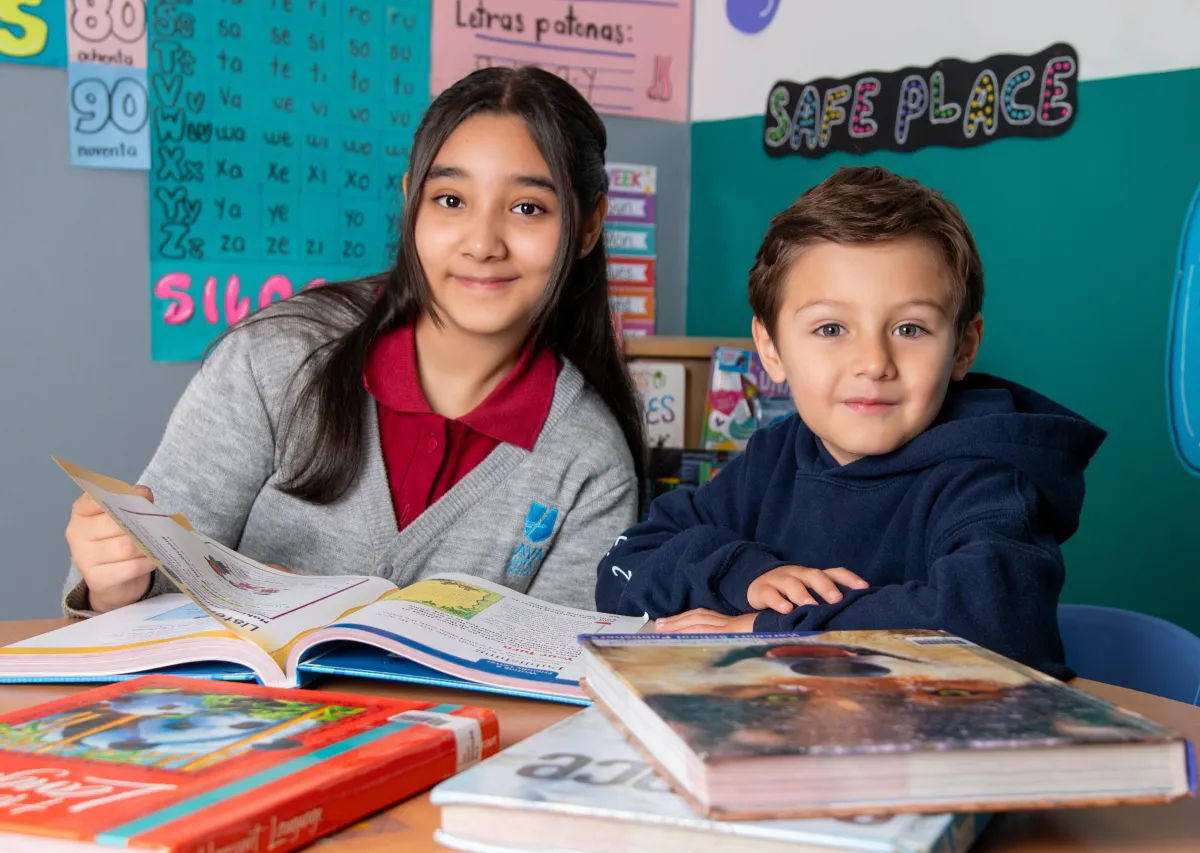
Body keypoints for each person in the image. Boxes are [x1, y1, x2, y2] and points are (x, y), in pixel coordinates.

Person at [64, 66, 644, 617]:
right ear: (410, 199)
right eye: (450, 201)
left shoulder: (589, 461)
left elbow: (553, 678)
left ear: (588, 225)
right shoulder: (276, 359)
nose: (482, 242)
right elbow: (145, 591)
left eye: (527, 208)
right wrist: (115, 582)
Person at [596, 166, 1105, 678]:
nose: (873, 362)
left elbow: (991, 630)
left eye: (910, 328)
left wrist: (769, 627)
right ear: (770, 348)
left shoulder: (987, 481)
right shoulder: (776, 457)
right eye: (831, 327)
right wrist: (738, 573)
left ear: (962, 348)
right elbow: (622, 568)